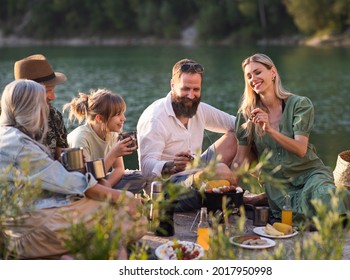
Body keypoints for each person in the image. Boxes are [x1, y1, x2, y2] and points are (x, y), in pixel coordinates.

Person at [232, 53, 350, 223]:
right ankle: (266, 198)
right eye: (248, 76)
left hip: (310, 175)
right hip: (279, 187)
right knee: (294, 215)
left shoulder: (299, 104)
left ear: (273, 72)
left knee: (326, 202)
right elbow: (240, 160)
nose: (253, 78)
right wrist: (229, 190)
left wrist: (269, 129)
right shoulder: (246, 115)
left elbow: (300, 149)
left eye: (258, 72)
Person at [0, 80, 147, 259]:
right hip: (26, 231)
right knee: (133, 219)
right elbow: (78, 185)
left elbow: (56, 179)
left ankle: (72, 257)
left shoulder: (10, 136)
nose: (49, 104)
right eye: (43, 103)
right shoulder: (20, 145)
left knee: (115, 207)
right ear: (31, 109)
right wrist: (125, 198)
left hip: (31, 218)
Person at [137, 58, 238, 212]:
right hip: (167, 191)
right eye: (185, 89)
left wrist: (266, 123)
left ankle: (233, 192)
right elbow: (145, 168)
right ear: (172, 85)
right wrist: (171, 165)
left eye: (196, 90)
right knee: (217, 170)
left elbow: (237, 124)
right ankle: (231, 195)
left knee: (236, 137)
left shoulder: (200, 109)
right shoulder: (155, 119)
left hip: (195, 173)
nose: (191, 95)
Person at [64, 88, 149, 194]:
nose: (124, 118)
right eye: (118, 114)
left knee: (141, 177)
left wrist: (107, 187)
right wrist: (113, 154)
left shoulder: (112, 134)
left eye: (123, 113)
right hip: (80, 187)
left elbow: (119, 169)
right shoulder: (81, 139)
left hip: (100, 183)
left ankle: (106, 197)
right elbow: (85, 180)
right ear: (100, 118)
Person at [14, 54, 68, 160]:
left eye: (53, 90)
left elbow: (61, 157)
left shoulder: (54, 115)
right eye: (48, 91)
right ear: (28, 92)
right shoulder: (6, 122)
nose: (53, 97)